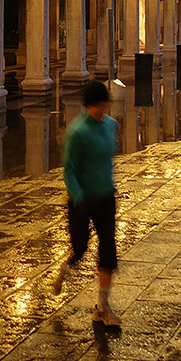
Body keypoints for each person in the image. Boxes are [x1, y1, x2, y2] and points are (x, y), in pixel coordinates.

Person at [52, 79, 121, 327]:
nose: (101, 110)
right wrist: (78, 197)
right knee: (80, 249)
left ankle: (103, 306)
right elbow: (69, 170)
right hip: (82, 199)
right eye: (96, 106)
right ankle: (67, 266)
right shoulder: (77, 132)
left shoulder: (111, 125)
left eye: (104, 104)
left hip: (105, 196)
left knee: (108, 251)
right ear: (87, 106)